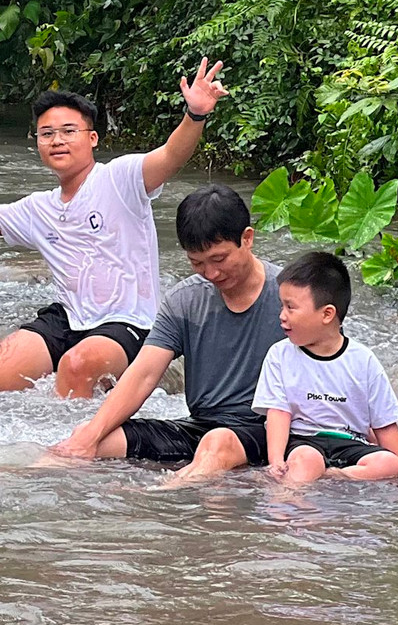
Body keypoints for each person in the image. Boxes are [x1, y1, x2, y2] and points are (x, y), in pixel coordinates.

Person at [0, 61, 228, 397]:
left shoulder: (121, 178)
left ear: (93, 138)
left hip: (127, 321)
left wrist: (195, 113)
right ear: (37, 143)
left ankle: (75, 458)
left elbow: (170, 156)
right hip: (68, 318)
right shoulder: (39, 208)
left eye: (68, 131)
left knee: (77, 366)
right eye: (47, 133)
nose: (57, 140)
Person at [45, 185, 284, 484]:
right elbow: (144, 374)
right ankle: (18, 484)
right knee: (93, 440)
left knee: (219, 443)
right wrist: (89, 436)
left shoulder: (290, 295)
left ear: (247, 239)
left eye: (219, 259)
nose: (211, 274)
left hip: (273, 433)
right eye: (197, 263)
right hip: (200, 428)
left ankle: (161, 497)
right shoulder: (184, 300)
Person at [255, 250, 398, 482]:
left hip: (351, 442)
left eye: (290, 307)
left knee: (389, 463)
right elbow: (278, 413)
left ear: (327, 314)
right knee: (306, 461)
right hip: (304, 440)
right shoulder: (279, 355)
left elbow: (384, 424)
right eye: (282, 306)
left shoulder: (363, 360)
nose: (282, 316)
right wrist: (276, 461)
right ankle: (288, 509)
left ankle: (334, 476)